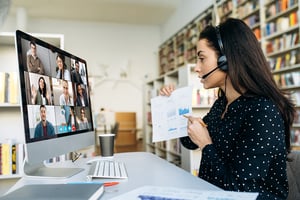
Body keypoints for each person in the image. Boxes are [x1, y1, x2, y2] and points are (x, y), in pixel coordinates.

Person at [159, 18, 295, 199]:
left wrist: (206, 144)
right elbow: (189, 141)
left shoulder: (262, 112)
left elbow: (240, 190)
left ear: (226, 60)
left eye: (202, 59)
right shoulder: (222, 104)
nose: (197, 68)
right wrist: (173, 105)